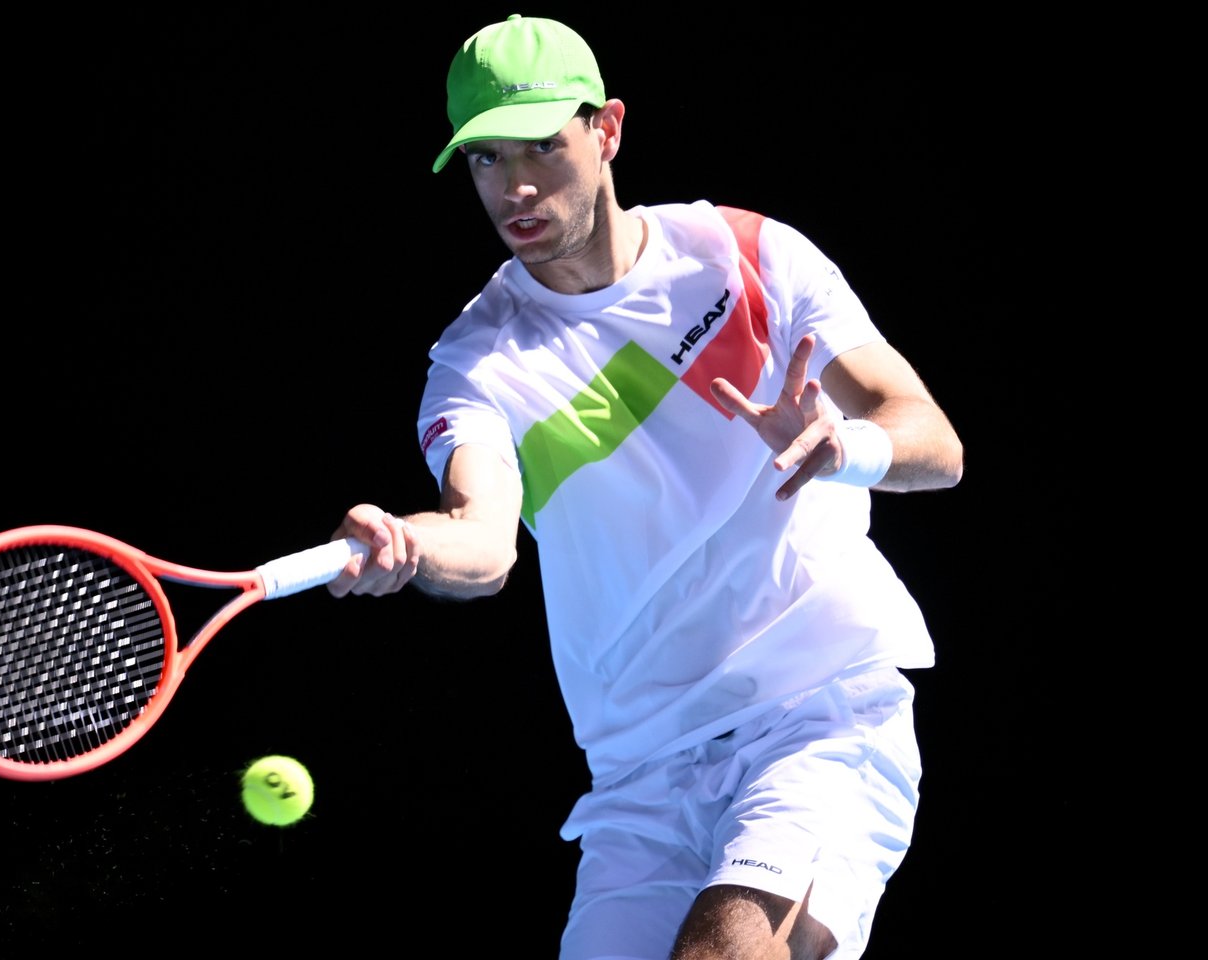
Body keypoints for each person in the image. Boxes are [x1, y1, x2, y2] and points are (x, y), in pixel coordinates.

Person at [327, 14, 963, 960]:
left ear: (608, 130)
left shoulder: (750, 257)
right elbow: (486, 537)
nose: (518, 186)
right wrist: (411, 543)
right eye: (487, 160)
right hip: (641, 779)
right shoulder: (478, 364)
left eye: (543, 144)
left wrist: (846, 444)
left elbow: (934, 441)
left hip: (816, 708)